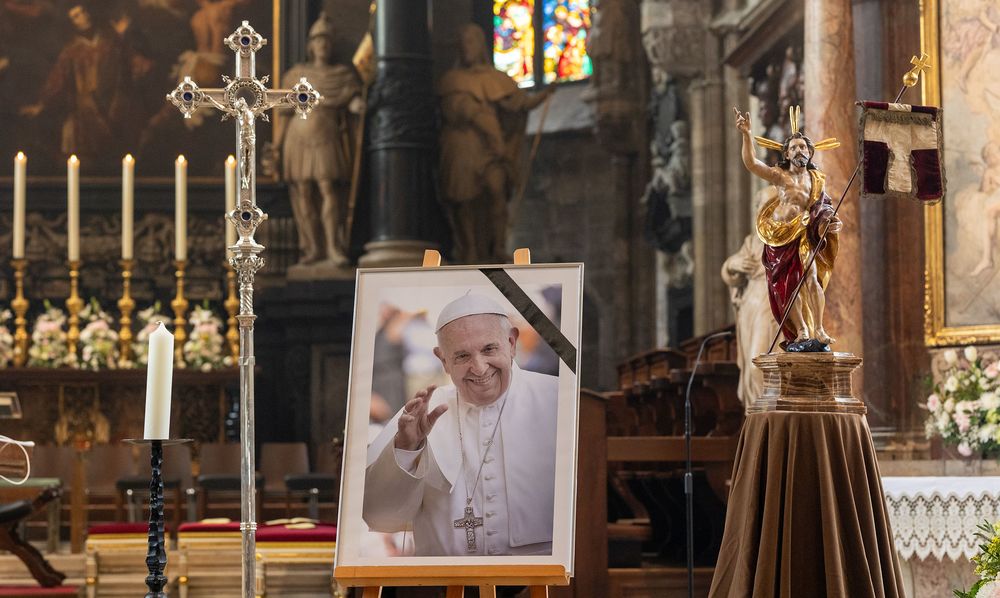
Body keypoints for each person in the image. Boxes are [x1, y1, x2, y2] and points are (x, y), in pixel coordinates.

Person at [363, 293, 558, 556]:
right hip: (445, 578)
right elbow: (380, 517)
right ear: (443, 360)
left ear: (512, 342)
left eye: (489, 349)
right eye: (462, 356)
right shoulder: (423, 412)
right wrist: (407, 448)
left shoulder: (558, 400)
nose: (479, 368)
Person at [438, 25, 553, 264]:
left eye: (471, 42)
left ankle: (498, 246)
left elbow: (519, 104)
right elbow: (460, 110)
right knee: (464, 199)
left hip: (490, 150)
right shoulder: (452, 80)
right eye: (463, 43)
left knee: (496, 190)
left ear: (481, 46)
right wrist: (486, 126)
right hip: (463, 145)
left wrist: (544, 95)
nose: (466, 48)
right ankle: (469, 249)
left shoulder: (496, 79)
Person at [734, 106, 842, 352]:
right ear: (786, 154)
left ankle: (818, 329)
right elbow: (751, 163)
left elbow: (823, 207)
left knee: (811, 278)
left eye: (802, 147)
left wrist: (830, 221)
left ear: (810, 152)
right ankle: (801, 330)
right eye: (793, 148)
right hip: (780, 236)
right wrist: (746, 135)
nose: (798, 151)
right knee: (788, 286)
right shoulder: (780, 176)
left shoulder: (817, 180)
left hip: (803, 233)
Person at [275, 12, 363, 267]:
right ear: (310, 45)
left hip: (326, 136)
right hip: (297, 139)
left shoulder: (342, 76)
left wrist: (356, 104)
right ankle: (312, 247)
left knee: (328, 189)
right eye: (318, 40)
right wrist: (277, 148)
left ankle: (333, 246)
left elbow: (353, 100)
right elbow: (283, 116)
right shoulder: (296, 75)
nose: (322, 45)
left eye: (326, 41)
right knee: (303, 191)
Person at [19, 2, 137, 165]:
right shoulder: (71, 51)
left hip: (114, 106)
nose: (83, 17)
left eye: (83, 12)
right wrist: (42, 104)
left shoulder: (111, 43)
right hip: (84, 112)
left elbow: (129, 67)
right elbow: (57, 80)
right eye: (76, 16)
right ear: (71, 23)